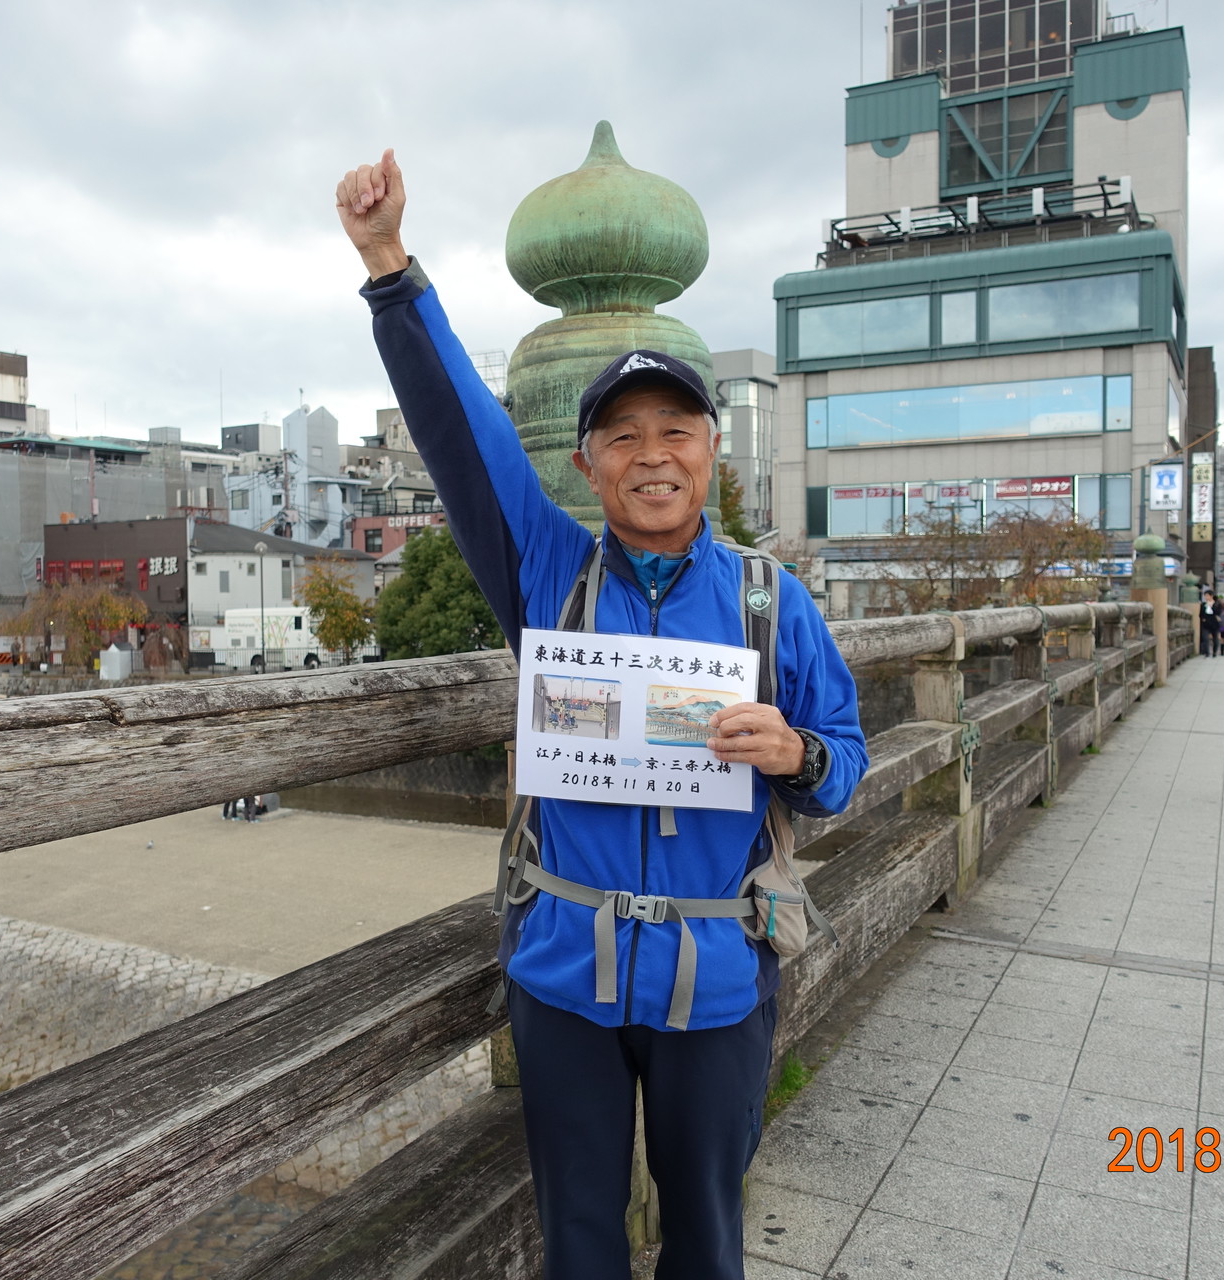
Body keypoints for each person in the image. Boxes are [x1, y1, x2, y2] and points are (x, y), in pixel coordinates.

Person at [338, 148, 868, 1280]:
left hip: (720, 971)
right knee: (576, 1243)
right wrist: (390, 268)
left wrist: (800, 749)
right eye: (621, 435)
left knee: (708, 1239)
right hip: (564, 971)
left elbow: (848, 760)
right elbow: (464, 433)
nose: (651, 455)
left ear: (713, 449)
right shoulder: (550, 573)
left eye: (674, 429)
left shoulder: (775, 601)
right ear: (588, 463)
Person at [1198, 591, 1223, 657]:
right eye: (1205, 596)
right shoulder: (1203, 604)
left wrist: (1211, 606)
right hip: (1206, 624)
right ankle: (1207, 652)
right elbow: (1200, 614)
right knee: (1205, 638)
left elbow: (1218, 612)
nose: (1206, 597)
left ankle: (1214, 652)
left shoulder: (1217, 604)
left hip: (1214, 623)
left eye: (1207, 595)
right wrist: (1203, 618)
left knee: (1215, 639)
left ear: (1211, 596)